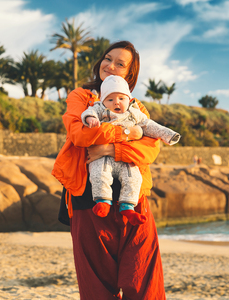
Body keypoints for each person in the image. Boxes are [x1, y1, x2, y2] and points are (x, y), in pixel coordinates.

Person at [52, 41, 166, 299]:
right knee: (97, 290)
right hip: (87, 201)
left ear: (129, 75)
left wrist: (110, 150)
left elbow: (150, 150)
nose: (110, 65)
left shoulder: (138, 108)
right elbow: (81, 134)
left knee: (144, 285)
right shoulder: (81, 97)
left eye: (120, 63)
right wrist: (130, 133)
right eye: (107, 58)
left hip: (134, 202)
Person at [81, 75, 180, 226]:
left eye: (121, 98)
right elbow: (89, 112)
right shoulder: (100, 109)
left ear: (129, 99)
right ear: (103, 101)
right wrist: (90, 119)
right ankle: (103, 201)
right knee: (98, 174)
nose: (116, 102)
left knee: (134, 178)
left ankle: (128, 206)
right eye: (110, 99)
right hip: (103, 159)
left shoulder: (134, 113)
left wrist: (168, 135)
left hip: (126, 157)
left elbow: (150, 125)